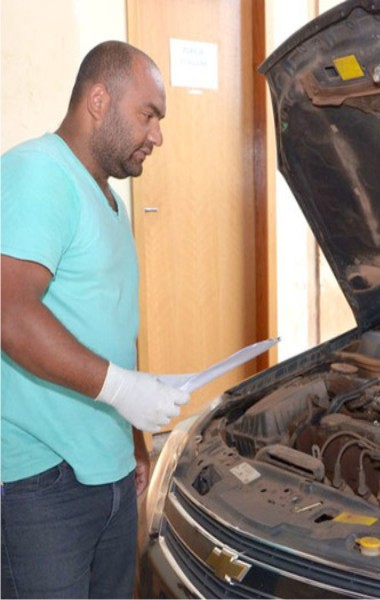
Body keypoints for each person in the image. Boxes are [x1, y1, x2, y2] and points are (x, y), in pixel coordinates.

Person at [1, 41, 190, 599]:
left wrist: (132, 437)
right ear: (99, 100)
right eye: (148, 114)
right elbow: (9, 311)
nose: (157, 135)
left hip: (106, 468)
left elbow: (109, 327)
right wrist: (123, 390)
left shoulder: (111, 202)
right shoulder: (38, 174)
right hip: (42, 484)